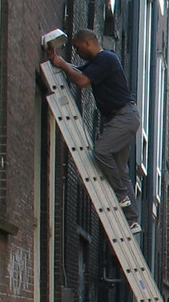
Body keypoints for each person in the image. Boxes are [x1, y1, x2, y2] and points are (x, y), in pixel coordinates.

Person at [47, 29, 142, 233]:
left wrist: (62, 64)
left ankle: (121, 196)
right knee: (120, 169)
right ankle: (132, 219)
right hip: (123, 117)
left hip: (123, 116)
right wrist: (59, 61)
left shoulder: (106, 58)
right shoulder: (97, 63)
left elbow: (81, 81)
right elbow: (78, 72)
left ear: (87, 43)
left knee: (100, 151)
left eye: (77, 47)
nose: (76, 51)